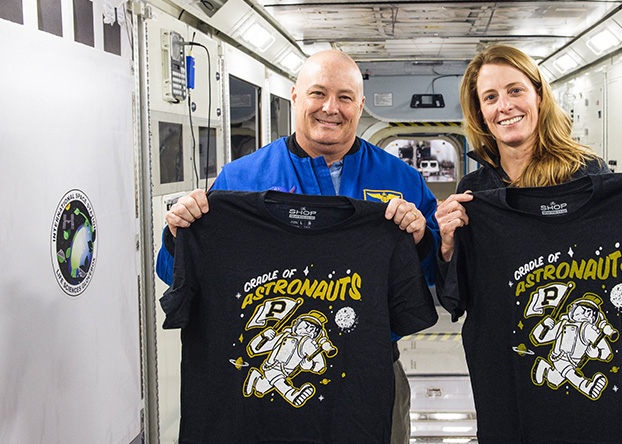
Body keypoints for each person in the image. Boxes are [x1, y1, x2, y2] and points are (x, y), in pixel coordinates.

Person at [155, 49, 438, 444]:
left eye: (344, 97)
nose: (330, 108)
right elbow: (181, 275)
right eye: (317, 93)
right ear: (294, 96)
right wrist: (179, 233)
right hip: (258, 382)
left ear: (360, 105)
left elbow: (430, 278)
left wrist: (422, 239)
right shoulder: (241, 178)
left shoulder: (402, 180)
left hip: (368, 374)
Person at [435, 45, 622, 260]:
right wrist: (448, 246)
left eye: (515, 90)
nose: (504, 106)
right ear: (480, 112)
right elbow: (457, 297)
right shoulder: (473, 190)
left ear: (538, 96)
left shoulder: (586, 172)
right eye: (490, 97)